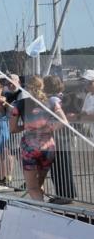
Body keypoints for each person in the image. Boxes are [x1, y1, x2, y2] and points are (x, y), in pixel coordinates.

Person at [10, 76, 65, 202]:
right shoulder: (52, 102)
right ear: (42, 87)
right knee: (39, 184)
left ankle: (43, 212)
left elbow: (12, 129)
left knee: (32, 187)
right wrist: (48, 128)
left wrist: (27, 126)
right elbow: (64, 121)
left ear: (27, 88)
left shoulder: (19, 104)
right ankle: (42, 209)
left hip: (30, 148)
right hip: (48, 147)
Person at [43, 75, 76, 204]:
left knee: (59, 166)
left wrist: (49, 128)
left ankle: (65, 195)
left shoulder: (52, 99)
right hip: (61, 135)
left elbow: (61, 119)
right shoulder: (58, 97)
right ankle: (64, 194)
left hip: (57, 135)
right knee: (61, 165)